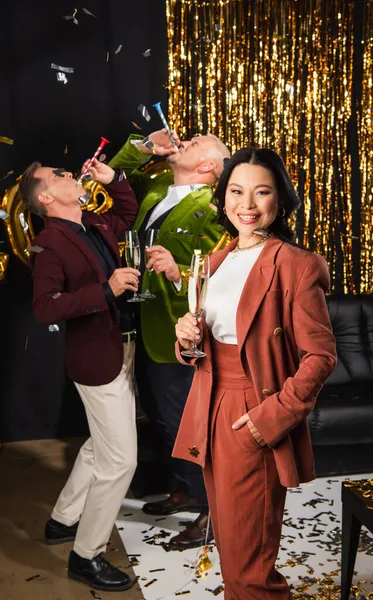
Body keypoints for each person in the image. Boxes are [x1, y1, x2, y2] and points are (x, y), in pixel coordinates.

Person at [174, 147, 337, 599]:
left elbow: (321, 356)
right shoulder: (215, 261)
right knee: (232, 550)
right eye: (237, 191)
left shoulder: (296, 265)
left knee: (250, 566)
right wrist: (188, 339)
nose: (247, 205)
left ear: (280, 200)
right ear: (223, 198)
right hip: (209, 408)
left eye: (261, 192)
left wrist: (271, 418)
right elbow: (207, 344)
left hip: (253, 412)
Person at [19, 159, 139, 592]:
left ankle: (61, 520)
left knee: (98, 445)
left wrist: (117, 180)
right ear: (47, 198)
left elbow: (127, 217)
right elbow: (46, 307)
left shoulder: (90, 223)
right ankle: (85, 556)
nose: (72, 175)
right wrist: (106, 289)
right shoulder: (49, 243)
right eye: (60, 176)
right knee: (120, 460)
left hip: (121, 347)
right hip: (96, 359)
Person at [109, 130, 230, 549]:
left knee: (189, 425)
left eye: (199, 142)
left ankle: (215, 512)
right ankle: (186, 490)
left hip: (182, 333)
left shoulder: (214, 208)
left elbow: (223, 273)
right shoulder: (158, 185)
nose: (189, 139)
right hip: (145, 323)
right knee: (163, 421)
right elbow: (113, 179)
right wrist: (142, 147)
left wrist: (178, 272)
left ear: (209, 168)